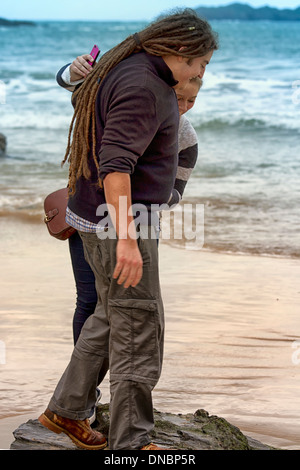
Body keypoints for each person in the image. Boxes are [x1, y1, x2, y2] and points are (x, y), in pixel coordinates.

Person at [38, 9, 218, 450]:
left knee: (110, 314)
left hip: (104, 218)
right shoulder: (144, 86)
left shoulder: (126, 66)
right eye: (201, 65)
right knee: (139, 327)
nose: (199, 75)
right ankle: (131, 444)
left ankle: (66, 408)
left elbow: (80, 93)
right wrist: (128, 240)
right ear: (180, 50)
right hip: (119, 223)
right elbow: (116, 168)